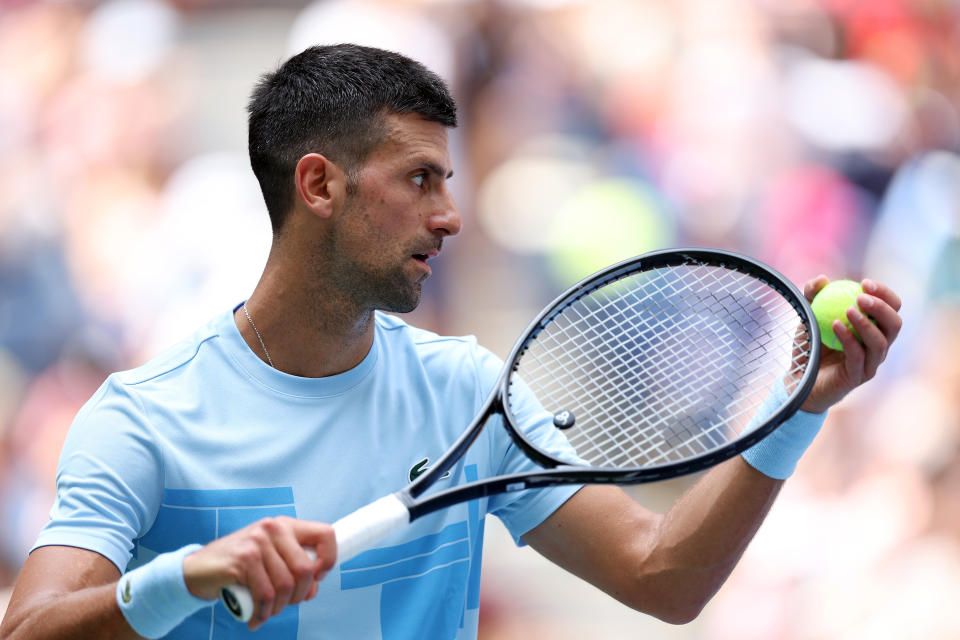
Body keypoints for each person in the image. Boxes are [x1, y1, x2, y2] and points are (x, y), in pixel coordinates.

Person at [0, 44, 902, 640]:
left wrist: (797, 406)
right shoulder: (143, 417)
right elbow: (29, 630)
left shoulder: (470, 392)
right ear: (319, 185)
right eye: (419, 179)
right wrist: (188, 578)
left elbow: (661, 576)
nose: (450, 216)